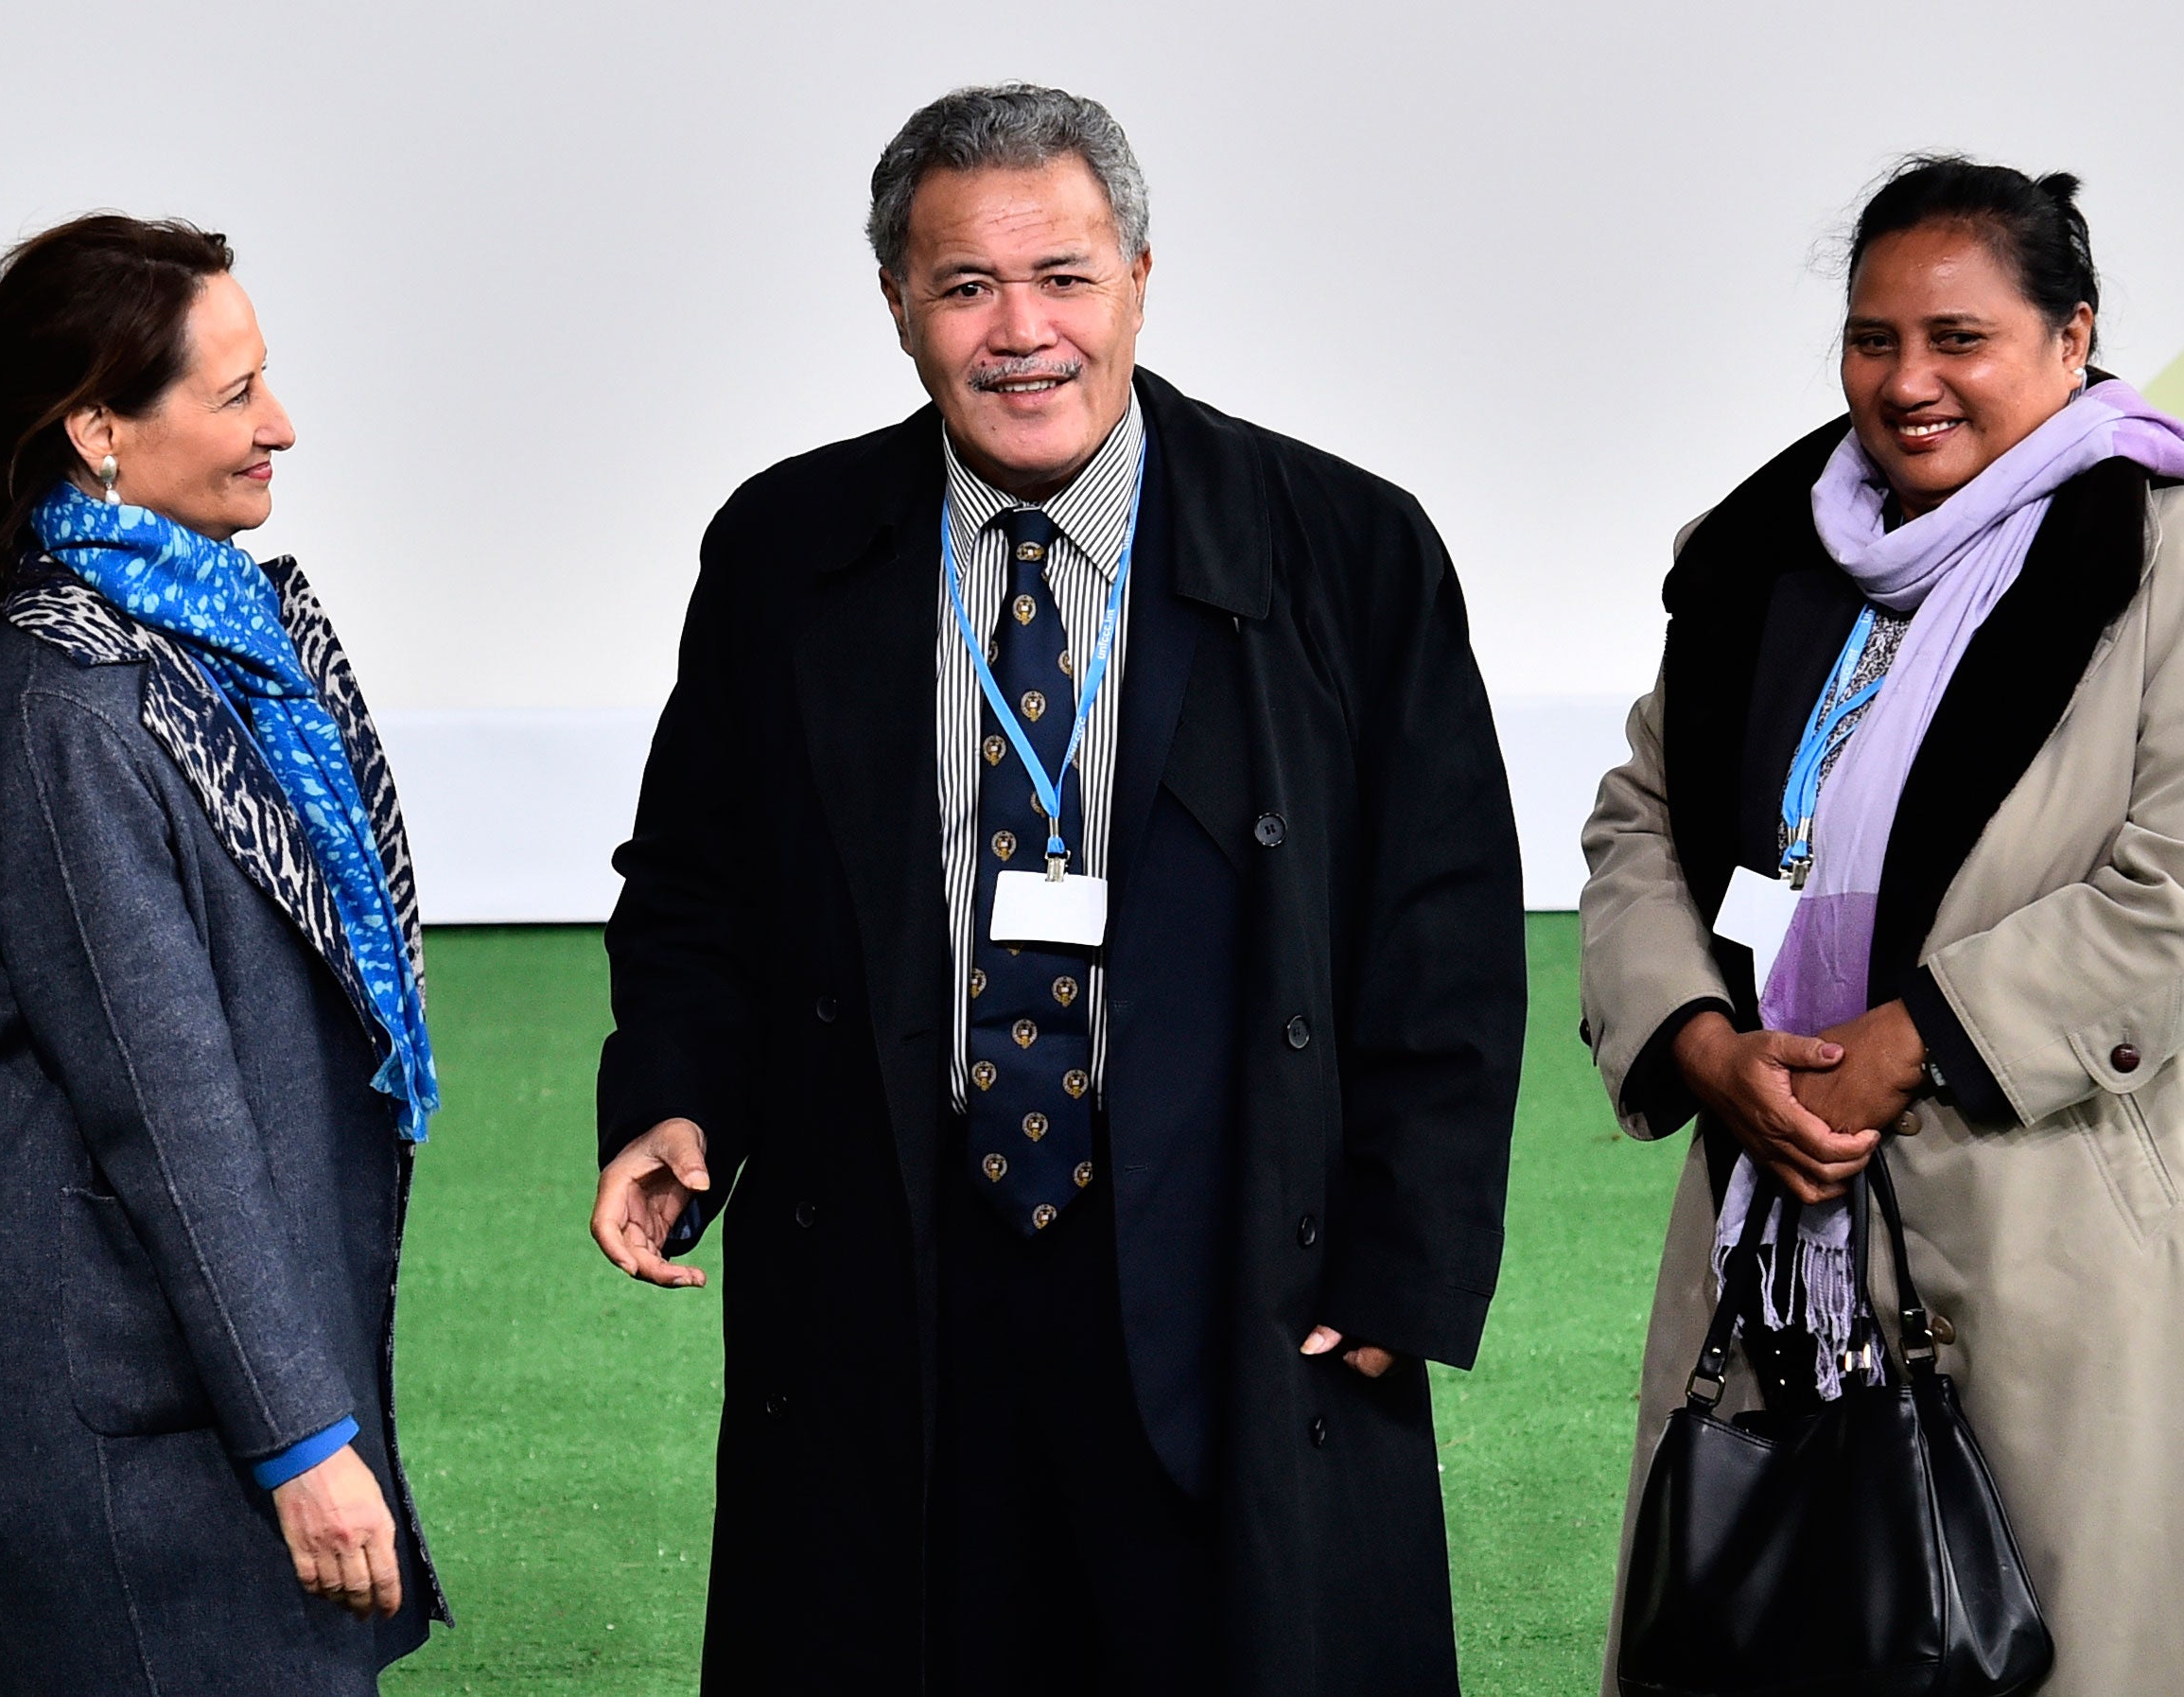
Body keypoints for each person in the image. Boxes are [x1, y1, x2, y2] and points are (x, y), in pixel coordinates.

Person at [591, 81, 1524, 1696]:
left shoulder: (1348, 550)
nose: (1022, 332)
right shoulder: (783, 547)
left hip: (1238, 1275)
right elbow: (694, 877)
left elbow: (1440, 926)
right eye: (965, 286)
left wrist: (1407, 1262)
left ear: (1142, 280)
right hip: (902, 1266)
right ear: (896, 302)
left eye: (1065, 278)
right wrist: (674, 1091)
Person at [1580, 156, 2184, 1694]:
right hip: (1764, 1208)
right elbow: (1639, 821)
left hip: (2044, 1231)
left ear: (2074, 336)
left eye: (1958, 338)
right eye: (1873, 339)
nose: (1906, 381)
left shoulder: (2168, 552)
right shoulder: (1761, 555)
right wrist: (1703, 1042)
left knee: (2047, 1639)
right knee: (1757, 1634)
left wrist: (1914, 1040)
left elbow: (2176, 886)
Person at [0, 216, 445, 1696]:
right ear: (98, 428)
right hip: (131, 1444)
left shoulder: (188, 655)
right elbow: (167, 1110)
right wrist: (301, 1438)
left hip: (192, 1396)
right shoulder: (67, 713)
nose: (280, 426)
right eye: (234, 397)